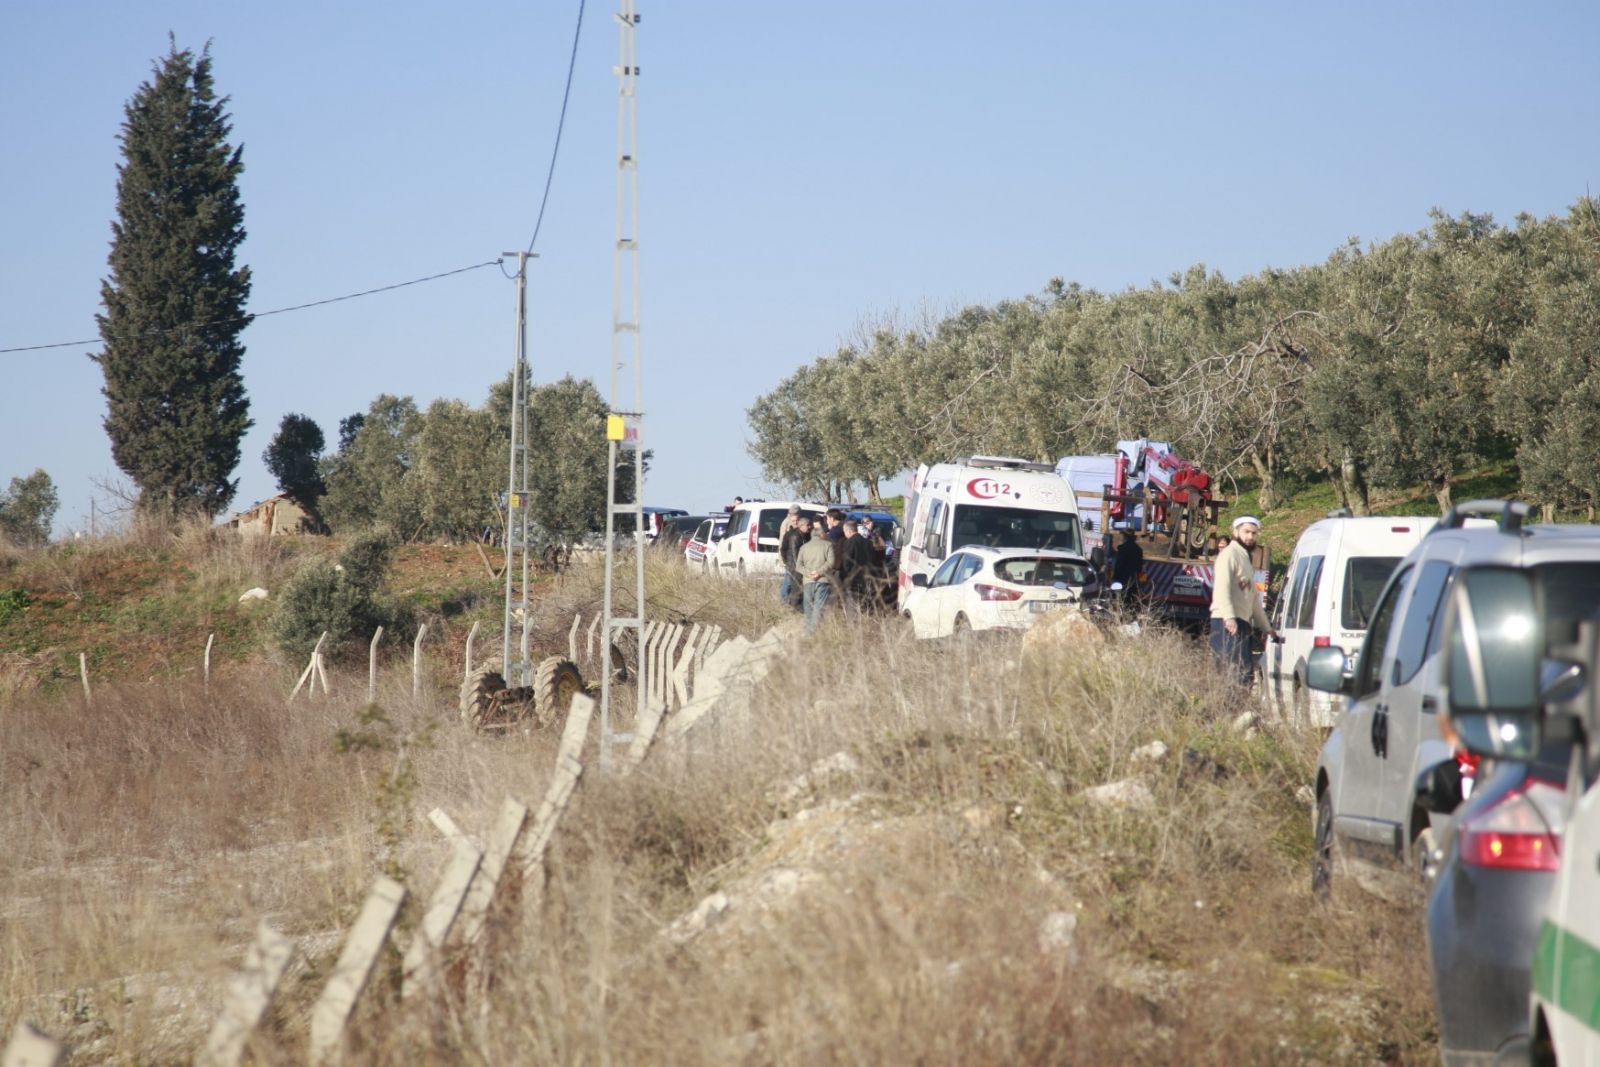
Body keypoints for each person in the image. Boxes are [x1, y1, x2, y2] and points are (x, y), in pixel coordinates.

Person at [1210, 515, 1277, 688]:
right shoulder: (1229, 555)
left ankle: (1235, 710)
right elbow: (1221, 588)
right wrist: (1229, 617)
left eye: (1254, 533)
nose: (1250, 537)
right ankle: (1227, 711)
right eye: (1246, 532)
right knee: (1233, 673)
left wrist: (1267, 628)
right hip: (1227, 622)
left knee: (1244, 674)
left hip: (1242, 621)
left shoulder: (1245, 558)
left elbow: (1253, 599)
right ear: (1235, 532)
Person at [797, 521, 837, 632]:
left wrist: (809, 573)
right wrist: (819, 572)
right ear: (821, 535)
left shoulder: (803, 547)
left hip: (808, 581)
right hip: (823, 580)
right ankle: (816, 633)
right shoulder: (828, 545)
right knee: (819, 608)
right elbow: (831, 562)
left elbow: (798, 566)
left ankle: (808, 632)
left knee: (808, 608)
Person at [839, 519, 875, 607]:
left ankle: (852, 621)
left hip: (853, 578)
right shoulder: (868, 542)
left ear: (848, 530)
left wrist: (844, 575)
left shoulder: (849, 542)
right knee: (863, 604)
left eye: (844, 531)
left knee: (852, 604)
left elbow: (846, 561)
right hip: (866, 576)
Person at [779, 513, 811, 610]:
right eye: (808, 525)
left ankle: (795, 606)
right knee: (792, 586)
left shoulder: (806, 535)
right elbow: (793, 553)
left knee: (794, 585)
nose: (810, 527)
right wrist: (789, 563)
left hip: (796, 566)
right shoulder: (794, 536)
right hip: (795, 566)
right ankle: (791, 606)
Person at [1111, 529, 1144, 600]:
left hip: (1122, 580)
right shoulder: (1138, 550)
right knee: (1130, 601)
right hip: (1133, 581)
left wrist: (1115, 578)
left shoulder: (1123, 549)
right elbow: (1140, 567)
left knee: (1120, 600)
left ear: (1125, 537)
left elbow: (1119, 565)